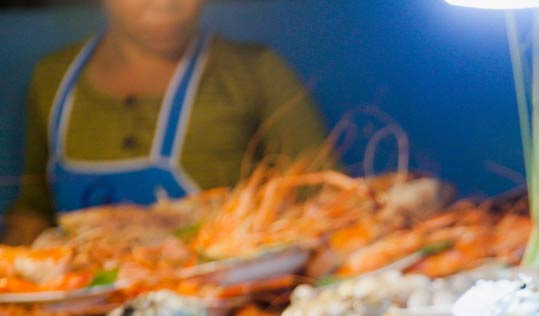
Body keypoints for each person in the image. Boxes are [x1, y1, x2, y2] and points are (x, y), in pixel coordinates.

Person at [3, 0, 328, 244]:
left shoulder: (255, 72)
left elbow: (322, 199)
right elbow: (34, 211)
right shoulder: (52, 80)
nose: (165, 4)